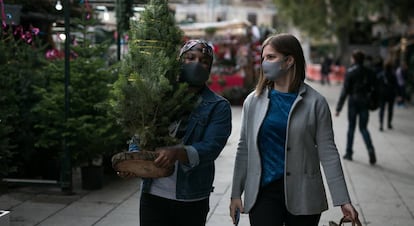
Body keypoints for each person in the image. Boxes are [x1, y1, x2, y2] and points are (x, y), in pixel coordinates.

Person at [229, 33, 360, 226]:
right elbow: (244, 148)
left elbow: (328, 152)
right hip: (263, 192)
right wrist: (235, 194)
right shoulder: (253, 101)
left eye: (271, 57)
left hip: (304, 193)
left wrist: (343, 199)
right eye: (263, 58)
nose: (265, 63)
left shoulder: (316, 103)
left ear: (289, 60)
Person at [118, 39, 232, 226]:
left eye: (204, 61)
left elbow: (211, 147)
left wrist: (179, 153)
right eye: (190, 57)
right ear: (180, 62)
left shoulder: (218, 107)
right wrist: (132, 162)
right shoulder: (159, 97)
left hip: (191, 198)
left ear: (210, 68)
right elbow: (140, 132)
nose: (197, 63)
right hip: (153, 194)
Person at [335, 50, 377, 165]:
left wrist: (339, 108)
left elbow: (345, 91)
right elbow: (375, 88)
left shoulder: (350, 72)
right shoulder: (370, 72)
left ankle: (349, 152)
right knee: (363, 128)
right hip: (365, 102)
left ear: (354, 59)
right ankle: (370, 149)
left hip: (353, 101)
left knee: (351, 127)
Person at [377, 58, 398, 131]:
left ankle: (381, 124)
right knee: (390, 109)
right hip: (391, 94)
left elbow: (377, 85)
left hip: (382, 94)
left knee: (382, 109)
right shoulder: (393, 75)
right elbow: (396, 85)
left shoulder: (381, 74)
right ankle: (389, 124)